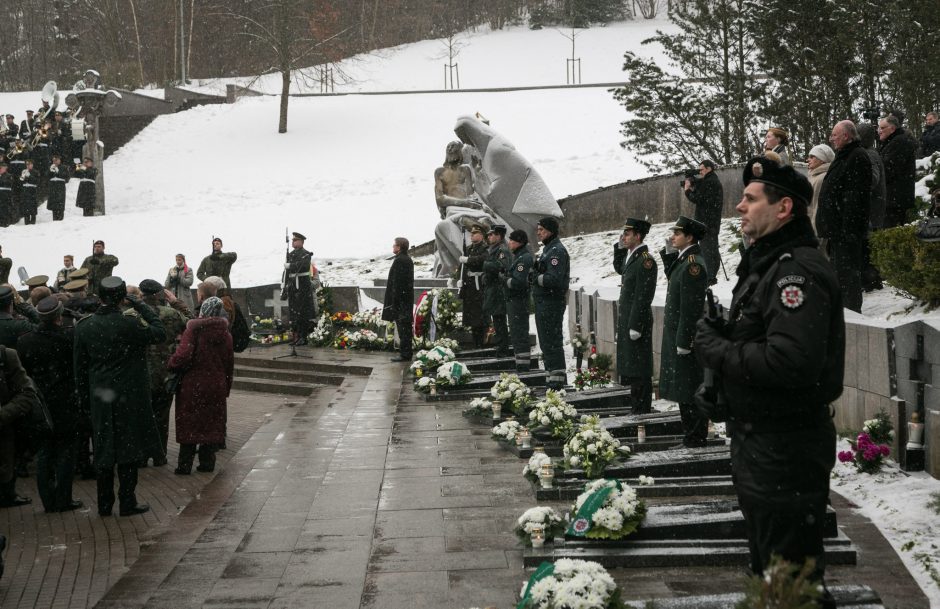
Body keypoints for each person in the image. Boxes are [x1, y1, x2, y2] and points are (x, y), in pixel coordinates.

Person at [694, 157, 843, 606]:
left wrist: (717, 350)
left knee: (792, 581)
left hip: (785, 451)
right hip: (765, 444)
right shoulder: (770, 264)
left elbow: (791, 363)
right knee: (772, 573)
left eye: (750, 199)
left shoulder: (795, 272)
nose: (739, 206)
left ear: (784, 210)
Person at [73, 276, 166, 517]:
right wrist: (140, 305)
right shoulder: (130, 324)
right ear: (122, 297)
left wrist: (84, 400)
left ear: (100, 296)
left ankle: (105, 504)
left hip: (100, 397)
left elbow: (80, 369)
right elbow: (159, 331)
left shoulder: (85, 326)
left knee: (103, 449)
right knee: (128, 449)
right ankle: (127, 501)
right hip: (128, 396)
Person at [17, 297, 83, 512]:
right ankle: (63, 498)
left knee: (44, 452)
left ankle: (47, 500)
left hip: (39, 404)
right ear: (58, 316)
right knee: (66, 452)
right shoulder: (69, 337)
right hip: (65, 402)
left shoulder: (25, 341)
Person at [168, 296, 233, 475]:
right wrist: (226, 386)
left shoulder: (194, 330)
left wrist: (171, 362)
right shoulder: (226, 334)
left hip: (192, 384)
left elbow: (183, 356)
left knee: (189, 423)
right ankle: (207, 463)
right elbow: (229, 363)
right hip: (216, 385)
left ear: (203, 310)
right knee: (211, 423)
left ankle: (184, 465)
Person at [659, 216, 708, 447]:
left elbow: (690, 307)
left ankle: (696, 437)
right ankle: (690, 435)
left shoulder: (693, 265)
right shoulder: (684, 261)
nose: (672, 237)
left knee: (690, 387)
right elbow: (672, 275)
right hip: (679, 334)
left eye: (677, 234)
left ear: (689, 237)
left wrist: (685, 339)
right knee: (684, 388)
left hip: (686, 337)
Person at [132, 280, 191, 466]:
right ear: (160, 295)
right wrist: (175, 302)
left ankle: (141, 455)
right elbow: (192, 322)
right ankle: (159, 454)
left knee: (141, 415)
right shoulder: (172, 314)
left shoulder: (130, 315)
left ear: (142, 294)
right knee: (162, 416)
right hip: (165, 373)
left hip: (139, 374)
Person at [817, 120, 871, 313]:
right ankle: (843, 312)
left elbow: (855, 197)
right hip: (837, 229)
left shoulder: (856, 156)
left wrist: (848, 229)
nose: (831, 139)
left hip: (846, 230)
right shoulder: (844, 155)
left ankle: (851, 314)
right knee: (839, 275)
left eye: (834, 135)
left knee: (848, 275)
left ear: (846, 136)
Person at [613, 218, 657, 414]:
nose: (624, 236)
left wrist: (636, 325)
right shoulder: (632, 256)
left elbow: (643, 295)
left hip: (637, 321)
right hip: (629, 319)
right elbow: (620, 268)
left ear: (638, 236)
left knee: (640, 368)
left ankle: (642, 409)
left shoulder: (646, 261)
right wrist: (620, 246)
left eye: (628, 234)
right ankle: (636, 406)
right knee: (632, 365)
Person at [433, 140, 495, 277]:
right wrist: (465, 203)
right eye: (448, 147)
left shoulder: (465, 169)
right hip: (453, 208)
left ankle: (486, 246)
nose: (451, 149)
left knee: (486, 218)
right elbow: (440, 198)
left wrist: (478, 174)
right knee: (466, 221)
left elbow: (471, 193)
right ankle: (481, 240)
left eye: (454, 147)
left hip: (469, 204)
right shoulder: (439, 172)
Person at [0, 336, 40, 508]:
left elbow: (27, 393)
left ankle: (7, 494)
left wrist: (3, 414)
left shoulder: (6, 356)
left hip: (4, 431)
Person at [532, 217, 570, 390]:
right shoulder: (548, 249)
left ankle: (557, 380)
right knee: (546, 341)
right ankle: (551, 377)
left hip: (551, 302)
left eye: (541, 229)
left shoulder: (556, 251)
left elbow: (554, 279)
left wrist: (536, 278)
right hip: (544, 302)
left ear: (550, 230)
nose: (538, 232)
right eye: (538, 229)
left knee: (552, 341)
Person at [683, 159, 723, 285]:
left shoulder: (710, 182)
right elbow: (703, 197)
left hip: (707, 222)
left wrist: (687, 190)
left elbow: (698, 199)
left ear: (709, 168)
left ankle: (710, 278)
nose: (700, 172)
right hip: (711, 221)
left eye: (701, 169)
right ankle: (710, 276)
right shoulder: (711, 181)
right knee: (710, 248)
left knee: (708, 250)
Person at [858, 123, 887, 292]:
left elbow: (872, 179)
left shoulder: (869, 154)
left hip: (871, 209)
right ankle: (871, 280)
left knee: (868, 247)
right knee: (868, 247)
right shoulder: (870, 153)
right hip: (873, 207)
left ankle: (871, 281)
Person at [878, 114, 917, 228]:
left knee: (891, 231)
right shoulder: (892, 142)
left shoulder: (899, 142)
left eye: (882, 128)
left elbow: (888, 169)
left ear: (892, 128)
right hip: (893, 198)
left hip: (895, 199)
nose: (879, 131)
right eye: (879, 128)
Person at [382, 237, 414, 362]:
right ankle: (406, 353)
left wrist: (394, 301)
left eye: (394, 245)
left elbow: (398, 284)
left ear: (399, 247)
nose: (393, 247)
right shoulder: (405, 259)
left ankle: (405, 354)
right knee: (404, 328)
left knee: (403, 328)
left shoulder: (401, 260)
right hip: (404, 300)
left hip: (401, 301)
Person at [505, 229, 533, 372]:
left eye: (513, 241)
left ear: (520, 242)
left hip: (519, 301)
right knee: (515, 332)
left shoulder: (524, 258)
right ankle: (520, 362)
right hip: (514, 301)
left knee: (520, 332)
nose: (509, 243)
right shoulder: (518, 257)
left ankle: (523, 365)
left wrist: (505, 280)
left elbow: (518, 282)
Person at [457, 224, 489, 348]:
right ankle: (475, 341)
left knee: (479, 315)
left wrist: (468, 260)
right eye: (471, 233)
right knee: (471, 315)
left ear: (481, 235)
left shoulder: (485, 248)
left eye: (475, 233)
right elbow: (463, 266)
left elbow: (482, 259)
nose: (472, 235)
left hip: (479, 285)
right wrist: (458, 278)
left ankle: (480, 341)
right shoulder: (469, 249)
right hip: (469, 286)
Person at [482, 225, 511, 357]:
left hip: (498, 290)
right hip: (493, 289)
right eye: (488, 235)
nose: (489, 237)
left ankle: (502, 348)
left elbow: (502, 266)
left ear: (499, 236)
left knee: (499, 320)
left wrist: (486, 265)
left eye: (492, 234)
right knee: (497, 319)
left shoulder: (502, 249)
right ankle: (500, 346)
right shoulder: (493, 249)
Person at [283, 232, 315, 346]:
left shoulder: (306, 254)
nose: (293, 242)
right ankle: (296, 336)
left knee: (303, 313)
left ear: (301, 242)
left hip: (302, 286)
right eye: (292, 240)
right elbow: (286, 272)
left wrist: (290, 266)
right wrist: (285, 285)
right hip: (293, 286)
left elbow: (304, 265)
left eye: (295, 240)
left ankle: (303, 337)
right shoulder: (290, 254)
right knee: (294, 313)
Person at [806, 144, 834, 226]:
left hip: (814, 226)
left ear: (822, 160)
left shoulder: (821, 178)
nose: (808, 160)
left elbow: (816, 207)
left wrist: (814, 232)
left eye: (812, 157)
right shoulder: (814, 175)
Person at [47, 154, 70, 221]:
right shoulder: (51, 167)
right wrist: (50, 171)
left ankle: (60, 219)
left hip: (60, 187)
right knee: (54, 205)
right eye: (53, 160)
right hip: (53, 187)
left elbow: (67, 178)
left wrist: (58, 171)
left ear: (60, 160)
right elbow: (47, 177)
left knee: (60, 204)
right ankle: (54, 219)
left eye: (56, 160)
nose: (55, 162)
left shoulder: (64, 167)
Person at [19, 159, 38, 225]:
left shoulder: (36, 172)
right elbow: (20, 182)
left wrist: (29, 176)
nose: (28, 166)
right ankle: (26, 222)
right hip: (25, 190)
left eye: (29, 164)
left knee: (32, 206)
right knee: (25, 206)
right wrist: (22, 177)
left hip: (32, 190)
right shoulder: (24, 171)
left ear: (32, 164)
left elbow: (37, 181)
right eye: (27, 164)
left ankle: (33, 222)